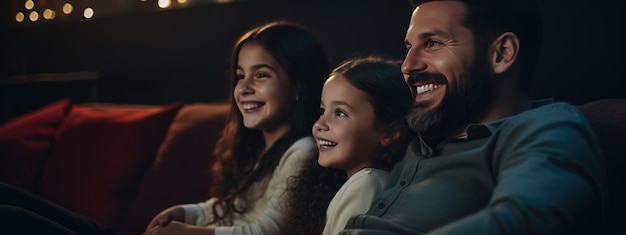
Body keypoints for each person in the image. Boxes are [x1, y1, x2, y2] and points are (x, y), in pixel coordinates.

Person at [340, 0, 608, 234]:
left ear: (502, 54)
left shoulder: (548, 127)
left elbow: (521, 221)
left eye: (433, 43)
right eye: (410, 46)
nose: (408, 66)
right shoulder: (419, 138)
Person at [144, 20, 330, 235]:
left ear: (299, 86)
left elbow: (270, 231)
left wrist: (186, 232)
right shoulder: (263, 150)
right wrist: (185, 213)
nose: (243, 88)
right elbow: (235, 207)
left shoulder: (303, 152)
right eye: (241, 76)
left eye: (261, 75)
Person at [315, 57, 414, 235]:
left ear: (390, 133)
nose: (320, 124)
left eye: (339, 113)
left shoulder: (366, 185)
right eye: (323, 111)